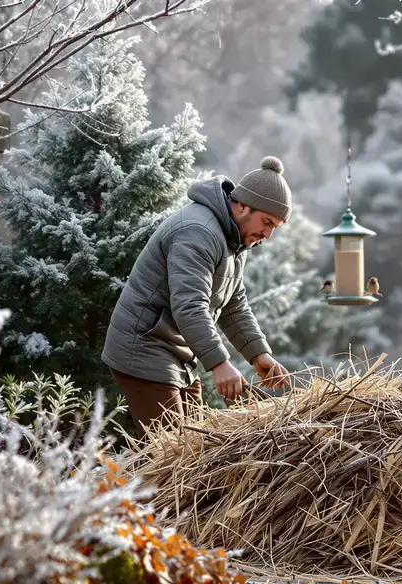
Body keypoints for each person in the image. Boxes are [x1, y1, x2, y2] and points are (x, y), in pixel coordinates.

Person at [102, 156, 293, 439]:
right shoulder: (198, 232)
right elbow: (189, 305)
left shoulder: (234, 239)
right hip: (144, 348)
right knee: (171, 457)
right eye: (266, 222)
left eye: (275, 227)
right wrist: (219, 363)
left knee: (194, 452)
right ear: (243, 205)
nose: (267, 234)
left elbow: (233, 303)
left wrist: (258, 354)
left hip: (176, 354)